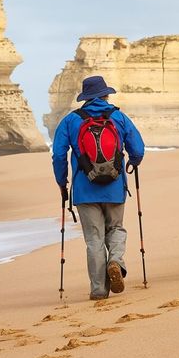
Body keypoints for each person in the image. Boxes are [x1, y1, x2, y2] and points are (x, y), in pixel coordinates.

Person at [52, 75, 145, 300]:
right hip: (114, 186)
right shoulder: (118, 117)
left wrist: (62, 182)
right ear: (105, 95)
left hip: (85, 189)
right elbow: (138, 149)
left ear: (85, 97)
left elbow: (58, 155)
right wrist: (132, 162)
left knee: (94, 239)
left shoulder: (71, 121)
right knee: (116, 228)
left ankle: (99, 289)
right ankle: (115, 261)